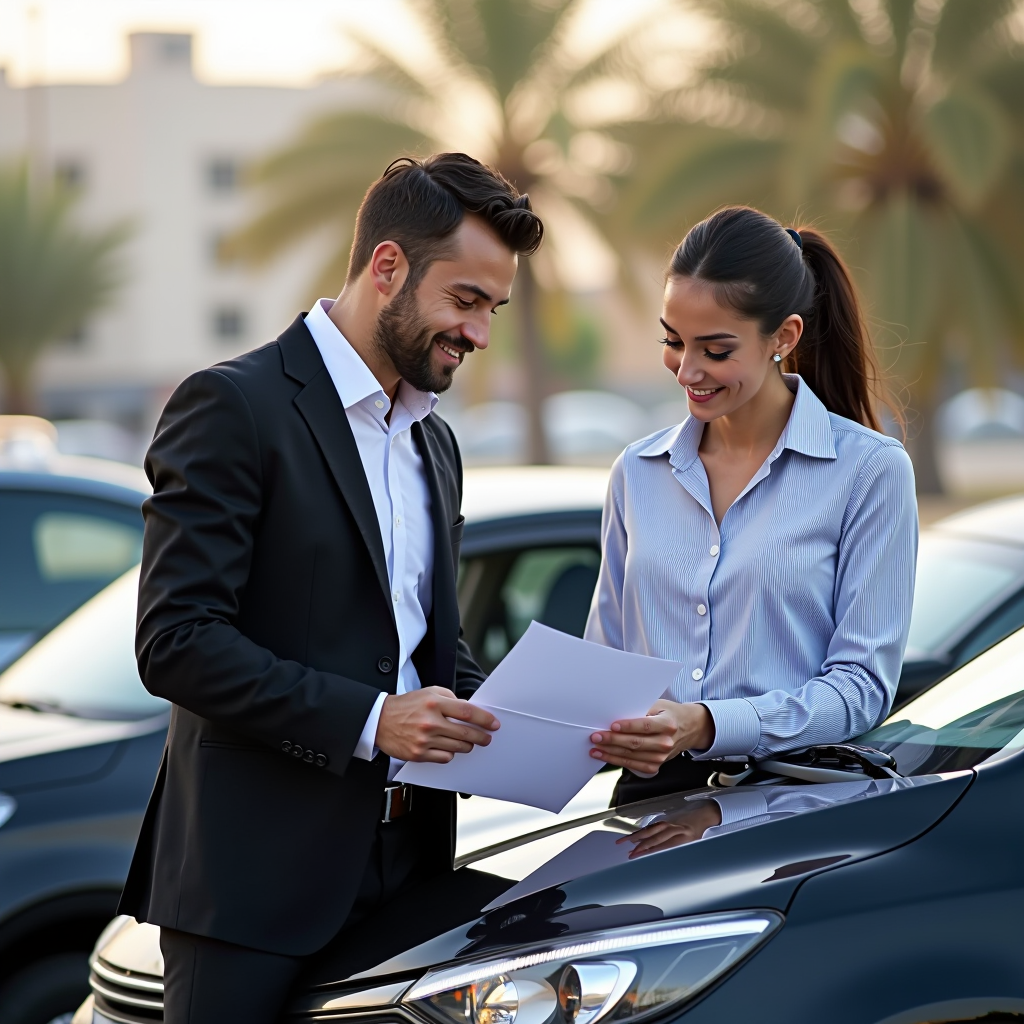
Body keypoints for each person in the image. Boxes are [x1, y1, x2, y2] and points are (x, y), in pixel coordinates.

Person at [118, 153, 544, 1024]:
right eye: (465, 301)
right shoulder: (232, 406)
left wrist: (544, 728)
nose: (479, 334)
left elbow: (423, 645)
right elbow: (176, 641)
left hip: (413, 869)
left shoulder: (435, 443)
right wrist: (372, 720)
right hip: (251, 886)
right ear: (387, 266)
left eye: (493, 311)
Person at [584, 205, 918, 804]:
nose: (687, 371)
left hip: (788, 804)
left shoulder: (870, 471)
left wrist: (709, 724)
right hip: (645, 804)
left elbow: (861, 689)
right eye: (672, 341)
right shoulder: (636, 471)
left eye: (715, 350)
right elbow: (601, 663)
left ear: (783, 337)